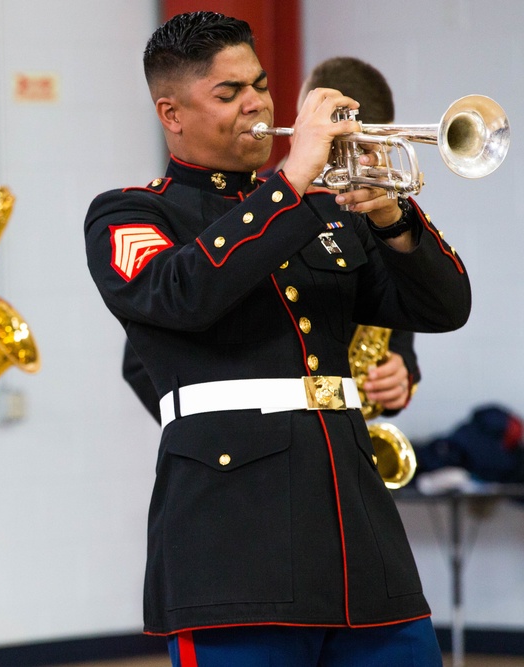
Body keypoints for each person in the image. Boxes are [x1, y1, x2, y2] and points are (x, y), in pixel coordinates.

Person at [84, 11, 471, 667]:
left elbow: (440, 305)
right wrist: (292, 181)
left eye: (260, 84)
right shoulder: (131, 212)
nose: (257, 103)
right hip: (232, 549)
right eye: (229, 93)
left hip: (361, 545)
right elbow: (184, 293)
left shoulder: (320, 210)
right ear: (171, 113)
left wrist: (392, 215)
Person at [122, 55, 419, 423]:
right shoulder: (239, 210)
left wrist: (402, 371)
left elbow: (401, 309)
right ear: (305, 116)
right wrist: (213, 432)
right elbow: (144, 357)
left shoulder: (362, 207)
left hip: (343, 447)